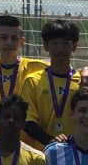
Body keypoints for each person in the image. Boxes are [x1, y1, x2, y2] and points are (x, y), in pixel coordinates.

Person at [0, 15, 48, 144]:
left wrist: (85, 71)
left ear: (22, 41)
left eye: (14, 38)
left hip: (25, 150)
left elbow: (66, 69)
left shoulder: (35, 67)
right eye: (3, 37)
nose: (9, 42)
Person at [20, 20, 84, 149]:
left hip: (75, 154)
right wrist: (50, 141)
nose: (60, 49)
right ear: (45, 46)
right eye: (54, 43)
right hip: (41, 154)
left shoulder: (82, 82)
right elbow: (27, 121)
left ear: (74, 46)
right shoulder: (32, 81)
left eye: (66, 43)